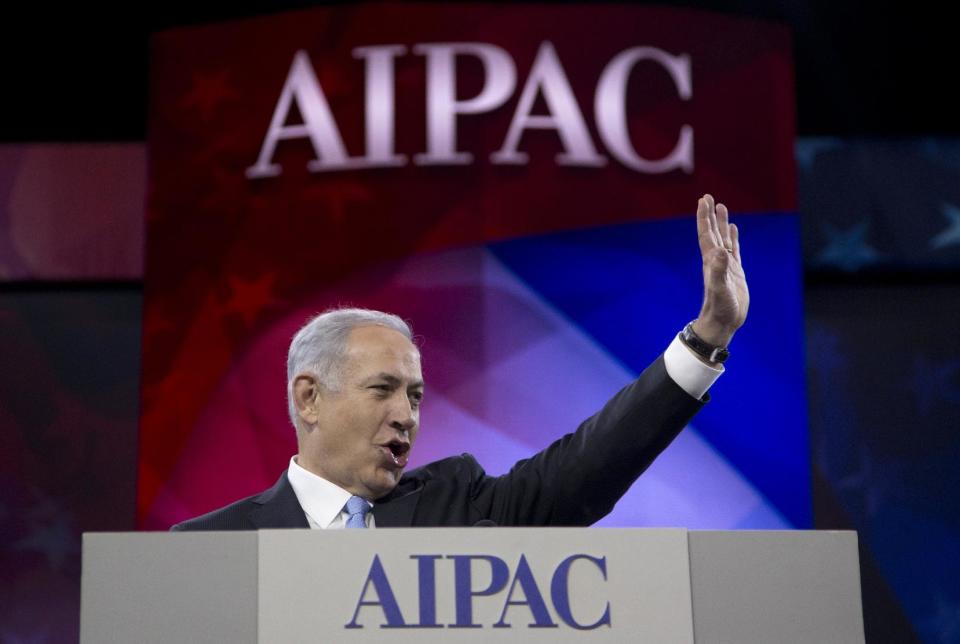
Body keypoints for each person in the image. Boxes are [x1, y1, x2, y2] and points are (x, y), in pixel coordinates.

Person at [172, 194, 748, 530]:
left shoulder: (459, 505)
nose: (406, 415)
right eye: (383, 389)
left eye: (416, 396)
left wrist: (705, 338)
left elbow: (583, 470)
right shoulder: (212, 545)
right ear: (309, 397)